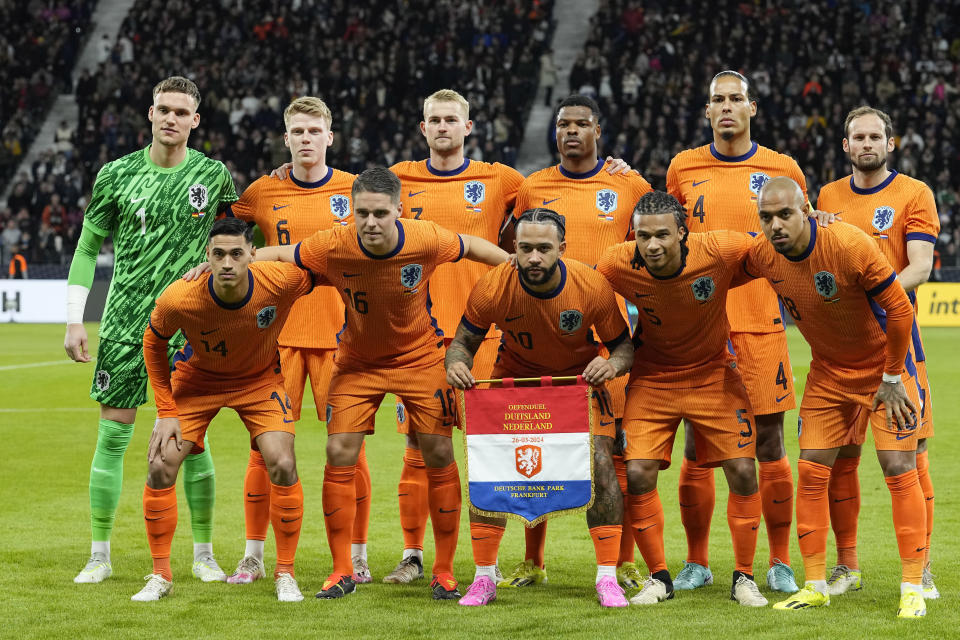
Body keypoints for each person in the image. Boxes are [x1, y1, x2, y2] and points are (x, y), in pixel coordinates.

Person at [252, 166, 508, 600]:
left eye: (379, 213)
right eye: (362, 213)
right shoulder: (334, 242)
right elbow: (282, 253)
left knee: (439, 451)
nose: (370, 222)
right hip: (357, 363)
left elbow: (472, 247)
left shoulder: (425, 237)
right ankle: (341, 571)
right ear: (351, 211)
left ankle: (444, 570)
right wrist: (234, 260)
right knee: (338, 451)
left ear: (398, 211)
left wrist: (512, 263)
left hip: (421, 358)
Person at [64, 76, 237, 584]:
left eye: (181, 112)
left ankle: (203, 554)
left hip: (190, 329)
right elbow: (86, 247)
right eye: (163, 109)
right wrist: (75, 317)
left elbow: (236, 242)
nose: (171, 118)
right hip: (122, 324)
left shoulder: (213, 176)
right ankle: (99, 554)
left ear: (195, 120)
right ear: (149, 112)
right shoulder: (116, 175)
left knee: (192, 442)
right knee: (112, 438)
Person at [746, 177, 927, 619]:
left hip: (885, 371)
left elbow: (901, 309)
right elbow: (718, 262)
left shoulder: (848, 245)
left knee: (899, 467)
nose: (776, 226)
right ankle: (814, 585)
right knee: (811, 470)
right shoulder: (764, 254)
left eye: (785, 214)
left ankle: (912, 587)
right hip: (828, 375)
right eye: (766, 218)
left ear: (806, 209)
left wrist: (890, 375)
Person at [446, 208, 634, 608]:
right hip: (517, 384)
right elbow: (463, 342)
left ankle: (606, 578)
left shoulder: (590, 285)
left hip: (578, 385)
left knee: (602, 467)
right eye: (525, 248)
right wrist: (456, 364)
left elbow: (624, 346)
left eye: (544, 249)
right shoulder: (493, 286)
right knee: (488, 470)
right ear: (513, 247)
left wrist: (611, 364)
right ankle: (483, 578)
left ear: (562, 249)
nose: (533, 258)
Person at [505, 93, 652, 589]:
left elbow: (663, 238)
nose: (571, 131)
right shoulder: (532, 187)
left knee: (618, 455)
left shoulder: (627, 183)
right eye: (563, 124)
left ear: (598, 131)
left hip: (609, 338)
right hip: (545, 336)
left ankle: (624, 561)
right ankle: (533, 561)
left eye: (581, 124)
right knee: (536, 444)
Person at [666, 70, 804, 592]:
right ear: (707, 112)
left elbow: (800, 239)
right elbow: (668, 240)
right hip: (700, 331)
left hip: (762, 324)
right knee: (698, 446)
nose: (727, 107)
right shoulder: (683, 167)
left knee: (768, 444)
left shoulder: (781, 168)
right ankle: (698, 562)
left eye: (736, 99)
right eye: (717, 99)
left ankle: (778, 561)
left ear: (752, 109)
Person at [223, 96, 371, 585]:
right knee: (262, 451)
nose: (306, 140)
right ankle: (253, 555)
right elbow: (223, 229)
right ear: (285, 139)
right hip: (275, 340)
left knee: (350, 453)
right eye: (297, 132)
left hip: (343, 340)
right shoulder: (263, 191)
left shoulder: (356, 190)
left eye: (314, 132)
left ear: (330, 137)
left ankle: (359, 554)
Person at [596, 190, 768, 608]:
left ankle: (744, 577)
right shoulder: (617, 263)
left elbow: (776, 244)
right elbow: (580, 287)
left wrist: (814, 219)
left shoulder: (720, 248)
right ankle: (659, 578)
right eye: (642, 236)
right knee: (636, 473)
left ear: (683, 233)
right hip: (653, 378)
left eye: (661, 236)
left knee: (744, 470)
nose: (651, 245)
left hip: (713, 374)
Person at [384, 88, 524, 583]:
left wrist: (616, 169)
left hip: (483, 338)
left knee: (489, 451)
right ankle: (413, 555)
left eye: (451, 120)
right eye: (434, 120)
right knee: (419, 450)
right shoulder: (398, 180)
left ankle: (488, 562)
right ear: (422, 128)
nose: (442, 127)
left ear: (468, 127)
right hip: (418, 340)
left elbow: (550, 202)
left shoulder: (499, 179)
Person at [132, 218, 310, 602]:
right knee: (160, 464)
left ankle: (284, 573)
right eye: (218, 255)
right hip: (198, 382)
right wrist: (166, 410)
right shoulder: (180, 296)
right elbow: (153, 342)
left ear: (251, 255)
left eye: (235, 254)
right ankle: (160, 574)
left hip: (260, 381)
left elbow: (323, 269)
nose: (227, 263)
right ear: (206, 257)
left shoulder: (280, 281)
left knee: (281, 461)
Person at [816, 106, 940, 599]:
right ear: (845, 146)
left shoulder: (914, 193)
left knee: (912, 456)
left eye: (875, 136)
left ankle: (922, 567)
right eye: (857, 137)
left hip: (897, 344)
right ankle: (847, 566)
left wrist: (871, 297)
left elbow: (921, 266)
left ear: (892, 143)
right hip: (841, 348)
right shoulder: (827, 197)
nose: (866, 144)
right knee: (843, 457)